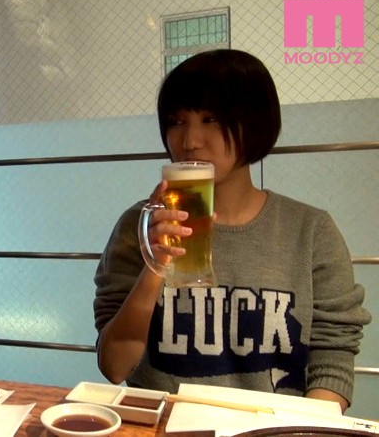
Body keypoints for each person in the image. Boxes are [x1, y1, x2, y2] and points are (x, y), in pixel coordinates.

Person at [93, 49, 371, 413]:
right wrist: (154, 267)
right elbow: (115, 366)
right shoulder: (142, 226)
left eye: (210, 119)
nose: (190, 140)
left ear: (255, 123)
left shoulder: (311, 231)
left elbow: (332, 359)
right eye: (176, 122)